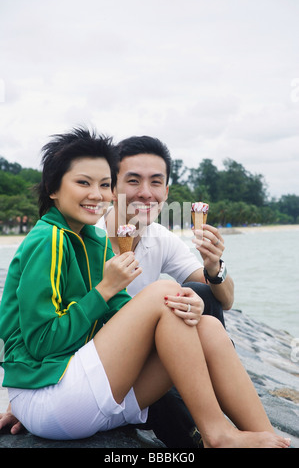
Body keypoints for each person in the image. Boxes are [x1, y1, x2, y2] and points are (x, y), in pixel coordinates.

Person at [0, 127, 290, 448]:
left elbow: (126, 312)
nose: (96, 194)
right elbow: (39, 343)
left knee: (206, 324)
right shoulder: (50, 241)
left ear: (166, 189)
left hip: (97, 388)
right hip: (53, 392)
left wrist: (191, 297)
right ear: (53, 187)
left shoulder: (93, 241)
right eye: (83, 182)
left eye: (103, 184)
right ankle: (216, 434)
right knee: (160, 293)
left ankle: (268, 436)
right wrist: (104, 291)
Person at [96, 135, 234, 446]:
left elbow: (223, 301)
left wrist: (215, 266)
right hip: (106, 367)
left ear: (166, 192)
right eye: (133, 181)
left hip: (157, 358)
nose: (145, 193)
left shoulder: (160, 237)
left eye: (156, 182)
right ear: (111, 187)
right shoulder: (88, 238)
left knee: (202, 292)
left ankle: (214, 419)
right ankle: (199, 434)